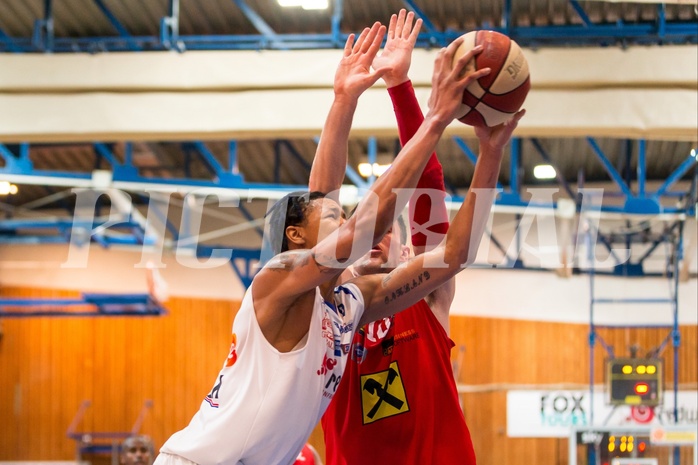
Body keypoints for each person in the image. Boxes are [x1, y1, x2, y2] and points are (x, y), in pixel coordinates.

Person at [155, 17, 496, 465]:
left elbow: (453, 250)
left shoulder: (355, 304)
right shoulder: (280, 281)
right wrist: (430, 117)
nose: (353, 224)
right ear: (296, 237)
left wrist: (491, 150)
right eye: (339, 217)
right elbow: (341, 216)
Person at [319, 11, 524, 464]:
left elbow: (426, 190)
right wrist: (342, 101)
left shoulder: (424, 293)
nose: (377, 237)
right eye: (363, 228)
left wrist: (400, 88)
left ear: (405, 248)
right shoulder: (321, 312)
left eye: (387, 230)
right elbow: (321, 201)